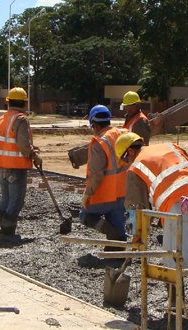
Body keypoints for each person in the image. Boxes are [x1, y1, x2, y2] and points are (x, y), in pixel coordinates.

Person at [116, 132, 188, 313]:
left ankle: (176, 307)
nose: (127, 163)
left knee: (173, 260)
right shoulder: (171, 147)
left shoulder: (136, 167)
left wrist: (135, 234)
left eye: (125, 159)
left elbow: (135, 206)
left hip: (179, 208)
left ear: (130, 152)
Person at [77, 105, 128, 268]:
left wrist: (87, 194)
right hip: (123, 193)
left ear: (94, 124)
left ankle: (112, 235)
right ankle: (118, 251)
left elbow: (97, 174)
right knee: (118, 220)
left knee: (85, 215)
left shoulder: (99, 142)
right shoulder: (122, 134)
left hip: (104, 194)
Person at [0, 87, 42, 236]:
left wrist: (31, 148)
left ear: (8, 102)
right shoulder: (20, 119)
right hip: (16, 167)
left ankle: (3, 226)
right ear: (24, 103)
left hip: (2, 165)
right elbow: (22, 144)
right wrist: (34, 155)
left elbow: (8, 141)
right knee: (16, 200)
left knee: (6, 198)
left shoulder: (0, 119)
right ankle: (8, 228)